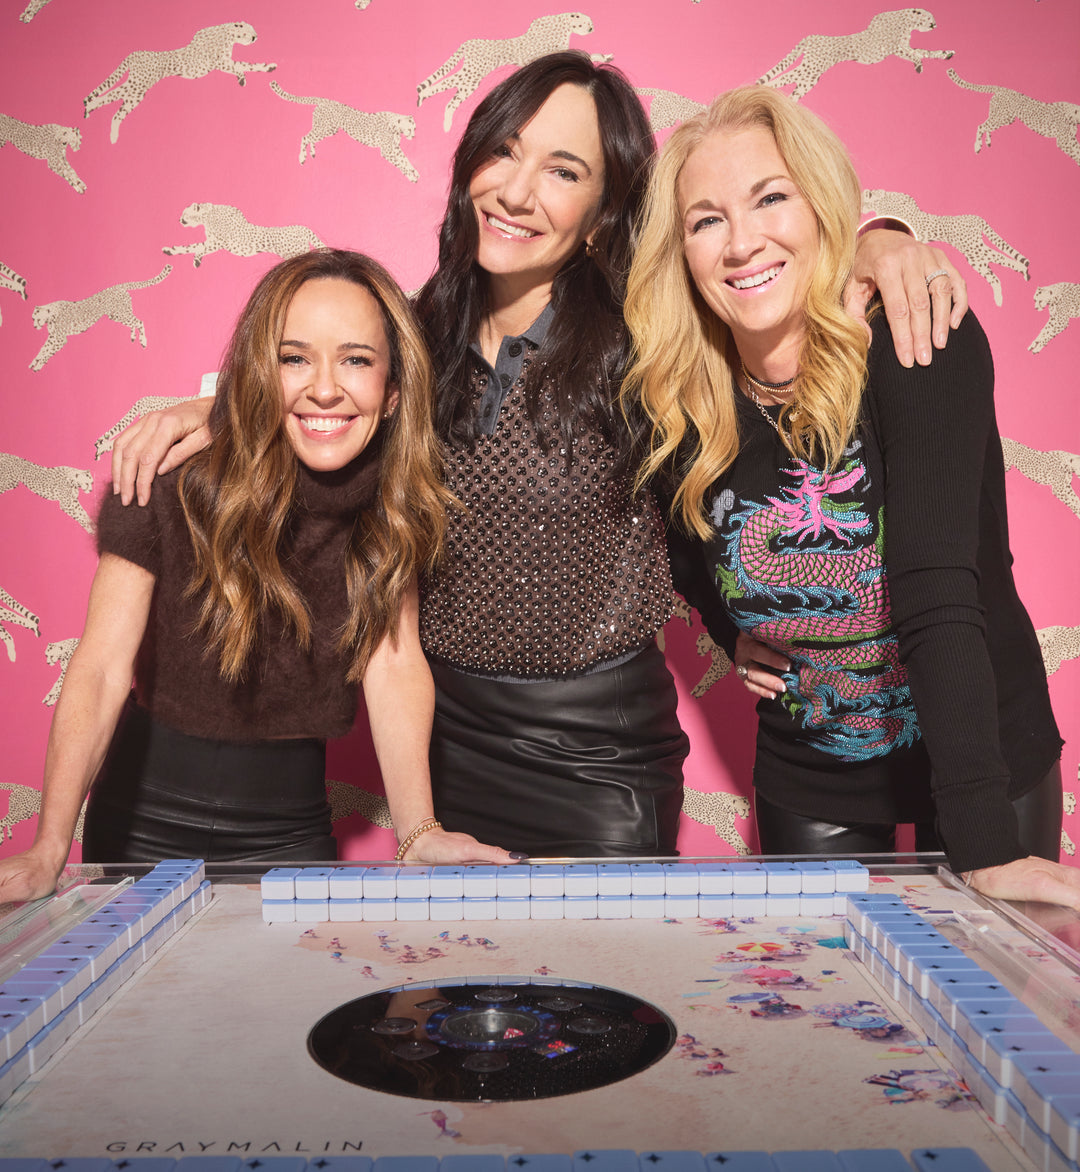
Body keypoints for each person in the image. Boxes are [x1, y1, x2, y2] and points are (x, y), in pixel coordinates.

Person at [107, 54, 969, 859]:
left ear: (601, 214)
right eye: (504, 152)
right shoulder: (417, 333)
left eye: (563, 171)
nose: (518, 192)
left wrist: (879, 239)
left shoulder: (647, 337)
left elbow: (720, 463)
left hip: (601, 754)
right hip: (448, 741)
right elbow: (326, 386)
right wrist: (221, 409)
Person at [624, 86, 1079, 908]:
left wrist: (984, 848)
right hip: (814, 774)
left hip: (983, 763)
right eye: (706, 220)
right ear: (681, 252)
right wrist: (732, 633)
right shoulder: (676, 402)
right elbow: (688, 551)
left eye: (771, 198)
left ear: (822, 207)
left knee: (994, 988)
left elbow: (937, 590)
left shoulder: (914, 336)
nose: (742, 242)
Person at [0, 250, 512, 903]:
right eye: (294, 358)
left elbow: (393, 662)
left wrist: (418, 832)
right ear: (258, 373)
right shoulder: (166, 477)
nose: (324, 388)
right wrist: (49, 847)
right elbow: (101, 667)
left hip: (291, 829)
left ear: (391, 394)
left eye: (356, 360)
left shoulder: (393, 508)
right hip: (142, 819)